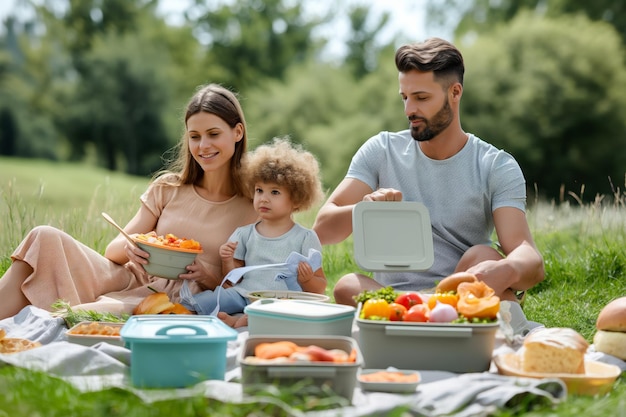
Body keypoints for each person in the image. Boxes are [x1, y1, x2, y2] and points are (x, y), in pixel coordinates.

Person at [312, 38, 545, 327]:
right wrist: (364, 208)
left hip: (459, 291)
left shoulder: (495, 165)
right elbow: (321, 230)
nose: (409, 109)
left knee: (482, 254)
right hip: (398, 299)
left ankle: (425, 323)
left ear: (455, 92)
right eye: (404, 97)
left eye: (421, 98)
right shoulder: (381, 150)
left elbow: (529, 257)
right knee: (347, 285)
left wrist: (506, 271)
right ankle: (433, 322)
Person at [0, 84, 259, 320]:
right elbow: (112, 252)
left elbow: (247, 287)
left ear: (237, 132)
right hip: (127, 277)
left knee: (77, 315)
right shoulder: (168, 187)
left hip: (177, 298)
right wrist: (133, 247)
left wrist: (207, 275)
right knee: (43, 237)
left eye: (213, 134)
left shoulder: (254, 207)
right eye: (195, 136)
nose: (203, 145)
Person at [180, 138, 327, 327]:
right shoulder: (244, 234)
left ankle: (240, 320)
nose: (263, 199)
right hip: (244, 294)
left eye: (274, 192)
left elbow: (320, 288)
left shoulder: (305, 238)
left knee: (284, 312)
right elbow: (232, 281)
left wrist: (306, 280)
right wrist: (227, 260)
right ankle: (238, 317)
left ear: (297, 199)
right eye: (259, 190)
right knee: (210, 299)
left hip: (283, 300)